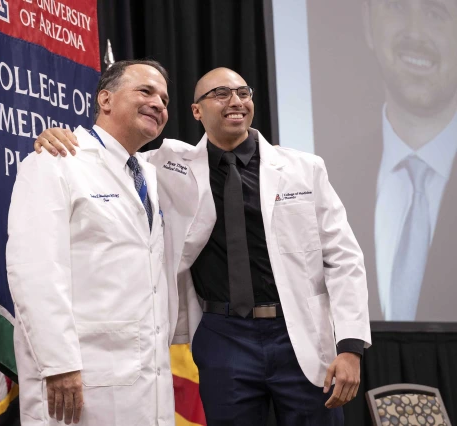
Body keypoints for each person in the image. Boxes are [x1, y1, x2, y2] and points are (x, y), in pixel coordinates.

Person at [36, 67, 371, 425]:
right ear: (197, 111)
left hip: (300, 333)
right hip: (223, 335)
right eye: (222, 94)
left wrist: (350, 346)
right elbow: (111, 156)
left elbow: (344, 258)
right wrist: (61, 137)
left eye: (244, 93)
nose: (236, 102)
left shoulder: (305, 168)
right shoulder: (165, 166)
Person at [6, 60, 176, 426]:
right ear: (106, 99)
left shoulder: (149, 172)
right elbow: (34, 270)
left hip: (148, 378)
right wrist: (58, 364)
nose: (159, 103)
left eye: (164, 98)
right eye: (145, 91)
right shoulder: (55, 161)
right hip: (81, 377)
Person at [361, 0, 457, 320]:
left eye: (436, 12)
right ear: (368, 23)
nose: (415, 32)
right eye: (397, 6)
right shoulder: (322, 179)